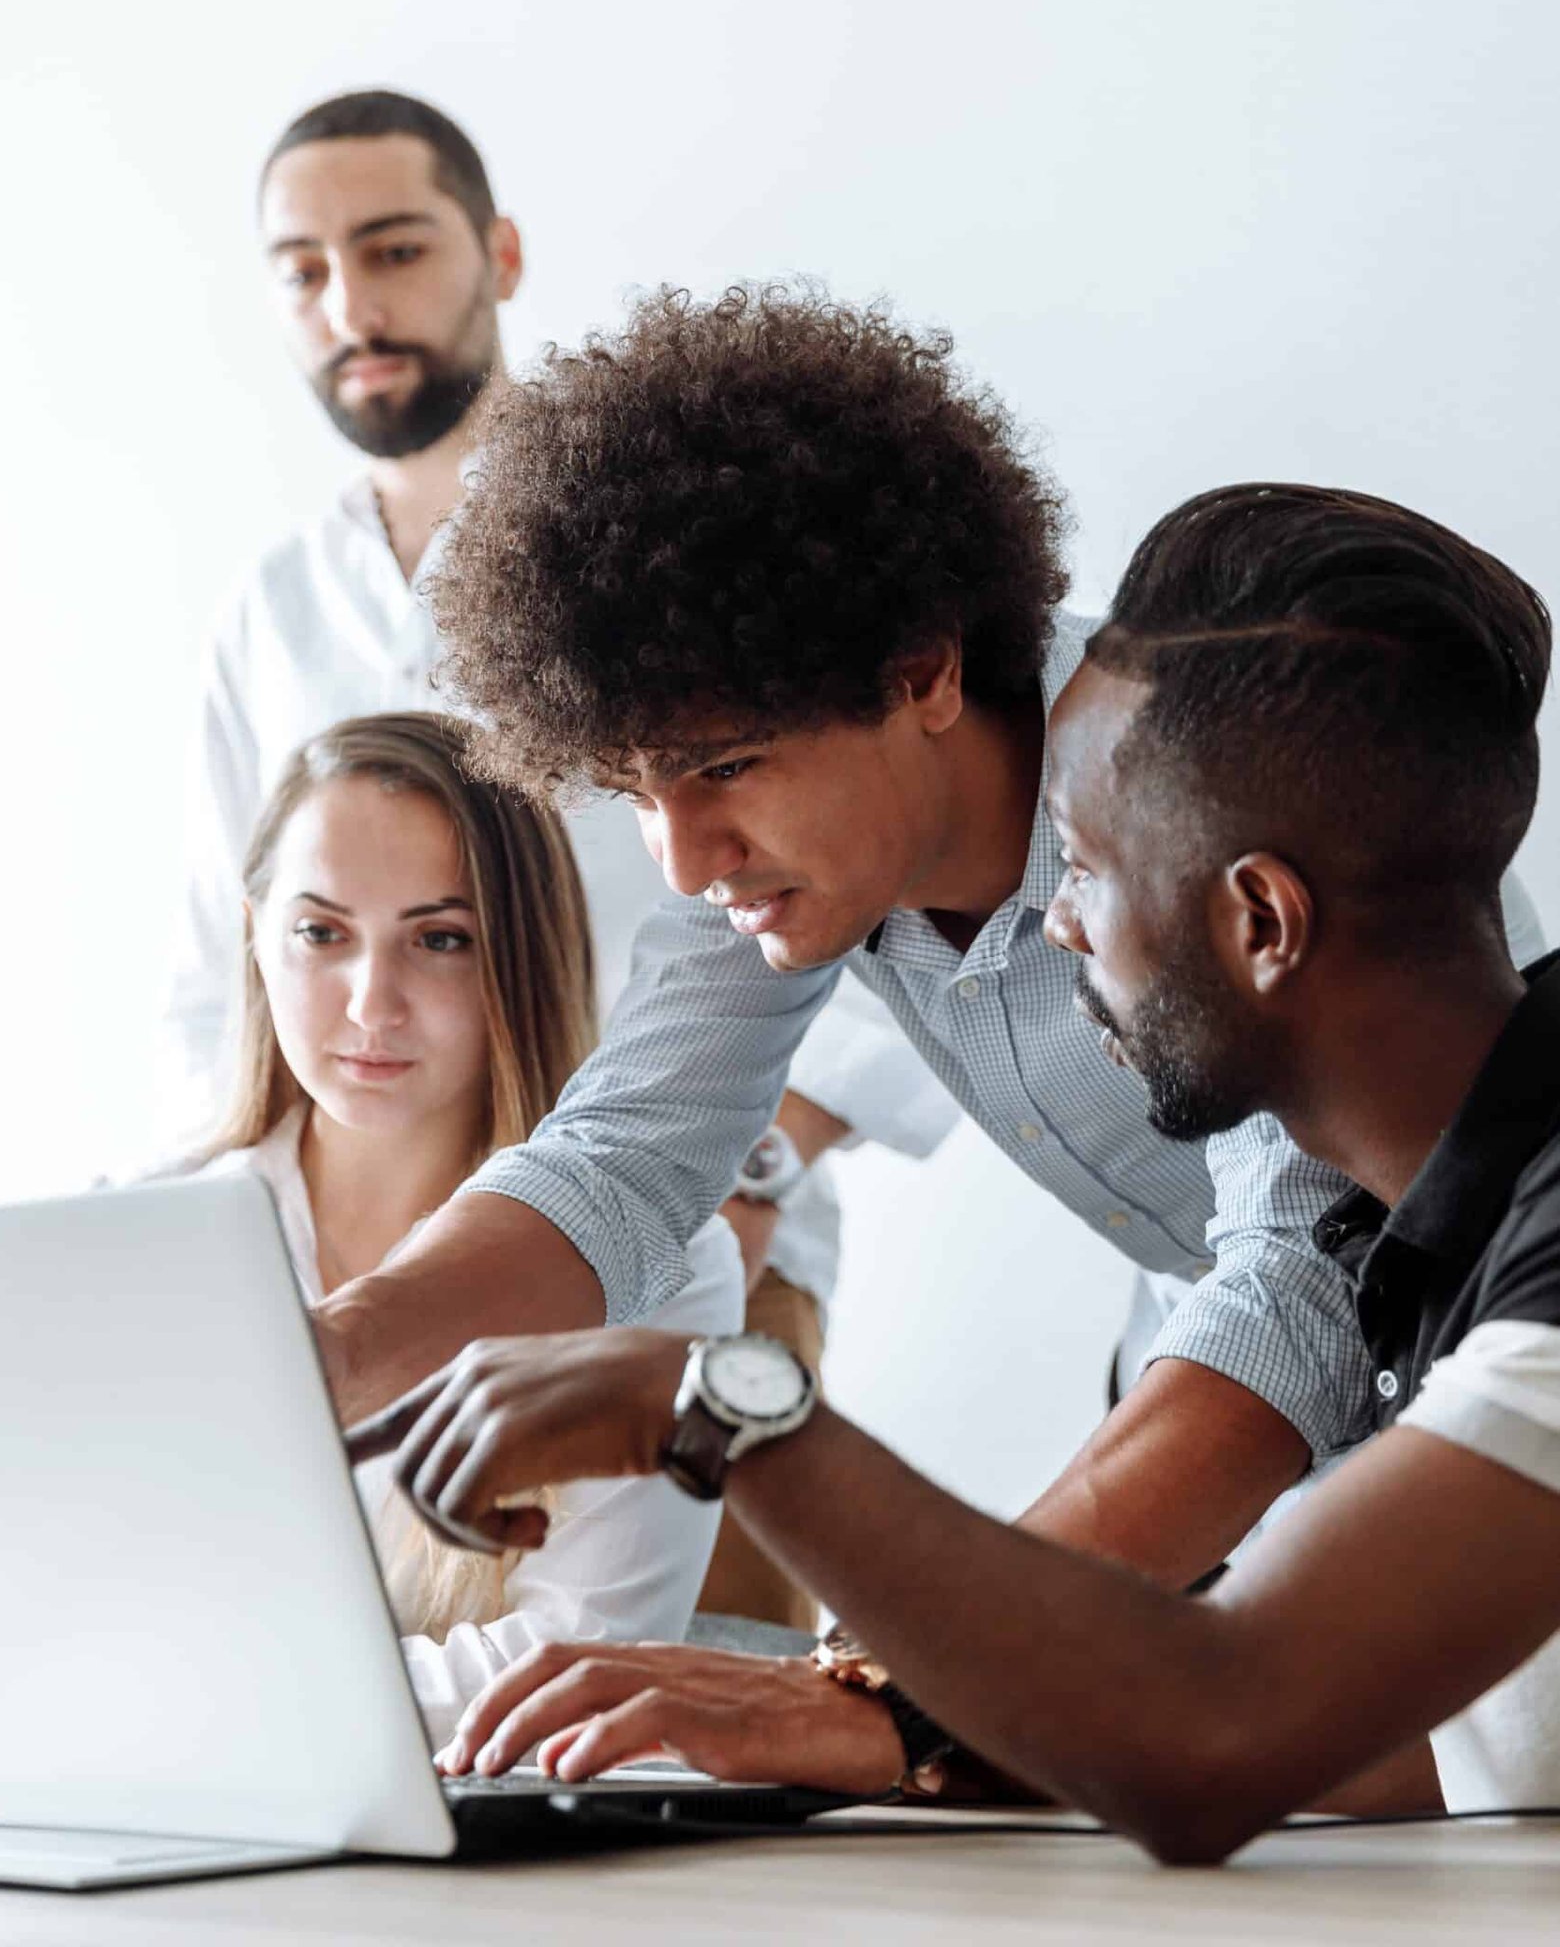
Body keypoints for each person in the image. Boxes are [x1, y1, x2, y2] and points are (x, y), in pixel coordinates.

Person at [351, 484, 1560, 1858]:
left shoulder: (1516, 1241)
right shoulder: (1457, 1238)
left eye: (1086, 869)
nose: (1045, 927)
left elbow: (1238, 1720)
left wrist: (730, 1430)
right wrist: (914, 1714)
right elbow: (1399, 1743)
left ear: (1261, 918)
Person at [310, 286, 1542, 1607]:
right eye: (635, 791)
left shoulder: (1196, 786)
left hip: (1491, 1380)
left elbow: (1309, 1268)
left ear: (925, 674)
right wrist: (326, 1355)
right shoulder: (781, 848)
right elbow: (626, 1152)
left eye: (726, 767)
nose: (685, 858)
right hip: (1209, 1386)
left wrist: (905, 1681)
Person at [159, 93, 932, 1623]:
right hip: (363, 1254)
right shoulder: (276, 605)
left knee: (683, 1717)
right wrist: (232, 1251)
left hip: (693, 1220)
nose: (352, 305)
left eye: (393, 249)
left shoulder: (649, 551)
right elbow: (215, 967)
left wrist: (746, 1166)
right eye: (303, 269)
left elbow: (860, 858)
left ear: (498, 254)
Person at [172, 710, 743, 1748]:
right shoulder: (146, 1236)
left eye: (440, 939)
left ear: (525, 952)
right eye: (320, 933)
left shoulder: (658, 1261)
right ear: (253, 932)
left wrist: (199, 1699)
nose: (371, 1006)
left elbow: (574, 1667)